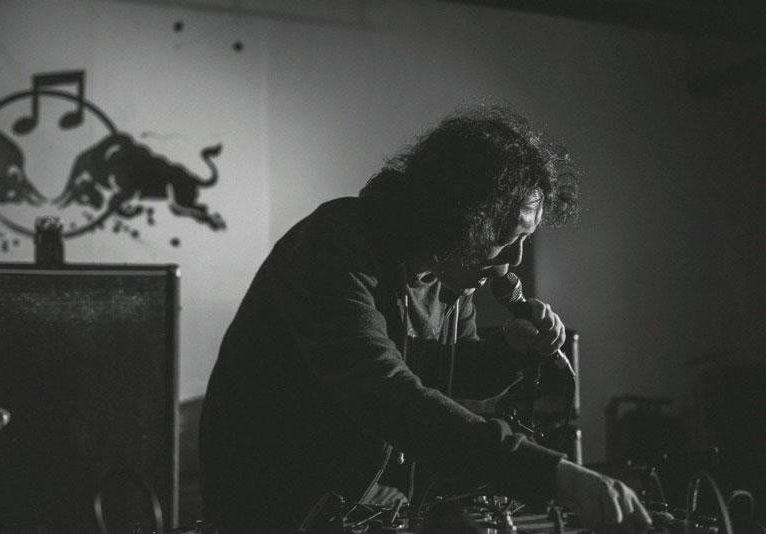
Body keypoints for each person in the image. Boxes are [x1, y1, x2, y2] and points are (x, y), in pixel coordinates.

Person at [199, 106, 652, 532]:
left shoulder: (448, 274)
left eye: (524, 240)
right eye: (506, 236)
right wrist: (552, 474)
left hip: (367, 509)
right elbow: (386, 393)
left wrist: (509, 351)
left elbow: (449, 370)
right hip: (279, 511)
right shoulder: (334, 246)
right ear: (459, 214)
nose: (514, 259)